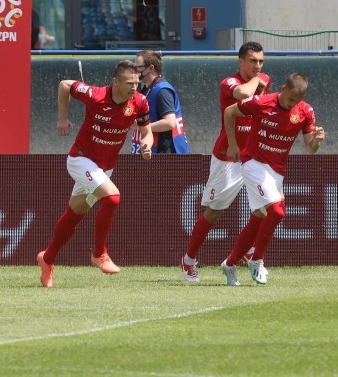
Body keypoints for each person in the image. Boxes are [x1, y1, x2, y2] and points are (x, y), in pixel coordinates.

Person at [37, 60, 153, 288]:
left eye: (137, 83)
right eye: (129, 83)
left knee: (74, 214)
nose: (134, 88)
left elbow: (146, 131)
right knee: (112, 197)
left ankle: (47, 258)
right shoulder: (96, 95)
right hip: (80, 159)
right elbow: (64, 85)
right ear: (115, 81)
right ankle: (99, 253)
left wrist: (146, 144)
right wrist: (62, 117)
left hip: (104, 167)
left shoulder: (139, 102)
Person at [219, 73, 324, 286]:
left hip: (276, 171)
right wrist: (232, 144)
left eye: (297, 100)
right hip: (253, 163)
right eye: (290, 98)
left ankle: (229, 264)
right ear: (283, 88)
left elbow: (310, 149)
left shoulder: (305, 111)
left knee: (258, 218)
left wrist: (317, 141)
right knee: (277, 211)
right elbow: (230, 111)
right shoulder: (261, 102)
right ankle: (257, 259)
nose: (292, 103)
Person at [180, 42, 270, 283]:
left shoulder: (263, 80)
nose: (257, 66)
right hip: (228, 156)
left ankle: (247, 251)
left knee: (264, 207)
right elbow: (243, 94)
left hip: (252, 156)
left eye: (261, 61)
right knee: (214, 213)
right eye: (252, 60)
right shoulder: (228, 83)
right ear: (240, 61)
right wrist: (258, 80)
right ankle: (188, 260)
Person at [131, 49, 189, 154]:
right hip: (151, 151)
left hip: (165, 153)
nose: (135, 71)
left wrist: (142, 126)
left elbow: (170, 123)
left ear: (151, 68)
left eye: (138, 67)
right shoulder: (146, 89)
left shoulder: (163, 91)